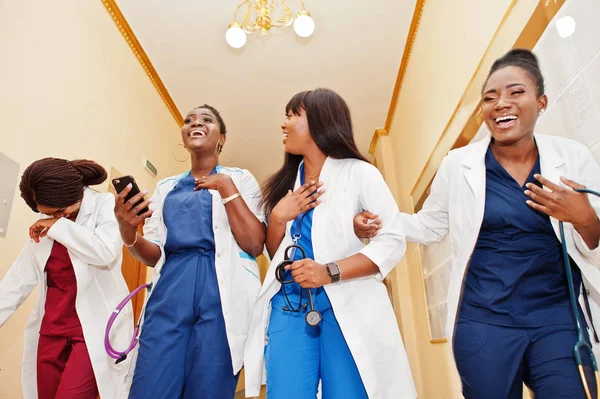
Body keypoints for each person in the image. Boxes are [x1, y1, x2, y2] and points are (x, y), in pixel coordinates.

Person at [354, 49, 600, 398]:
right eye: (490, 97)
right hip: (484, 321)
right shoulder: (459, 164)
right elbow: (430, 225)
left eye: (516, 92)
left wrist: (584, 216)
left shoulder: (572, 158)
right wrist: (377, 225)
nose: (501, 103)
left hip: (557, 318)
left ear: (541, 102)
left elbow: (595, 241)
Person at [244, 88, 416, 399]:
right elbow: (274, 254)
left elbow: (392, 241)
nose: (284, 124)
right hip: (290, 305)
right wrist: (280, 217)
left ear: (321, 121)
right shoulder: (286, 184)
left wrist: (329, 271)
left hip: (344, 301)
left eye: (293, 115)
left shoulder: (360, 174)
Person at [115, 104, 266, 399]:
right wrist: (128, 230)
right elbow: (155, 253)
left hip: (221, 294)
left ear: (221, 137)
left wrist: (226, 188)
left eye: (206, 120)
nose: (195, 123)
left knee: (208, 389)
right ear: (184, 137)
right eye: (189, 121)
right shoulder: (166, 187)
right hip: (171, 289)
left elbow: (254, 244)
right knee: (150, 386)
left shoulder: (241, 178)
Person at [0, 158, 133, 399]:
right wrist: (55, 221)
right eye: (46, 213)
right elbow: (14, 285)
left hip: (91, 331)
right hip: (51, 331)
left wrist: (57, 225)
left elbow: (104, 251)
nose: (54, 217)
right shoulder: (47, 227)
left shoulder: (104, 205)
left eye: (60, 212)